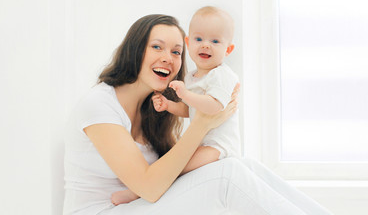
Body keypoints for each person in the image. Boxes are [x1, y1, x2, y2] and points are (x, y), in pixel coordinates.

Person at [63, 14, 333, 215]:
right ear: (135, 50)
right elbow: (149, 186)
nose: (168, 57)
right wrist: (202, 124)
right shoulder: (99, 105)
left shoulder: (155, 108)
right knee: (227, 177)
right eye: (157, 47)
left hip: (137, 205)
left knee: (242, 166)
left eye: (177, 51)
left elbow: (167, 175)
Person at [111, 6, 241, 206]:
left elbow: (214, 107)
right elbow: (191, 111)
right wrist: (170, 106)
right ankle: (139, 190)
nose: (206, 45)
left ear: (228, 49)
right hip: (204, 143)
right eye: (199, 39)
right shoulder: (192, 77)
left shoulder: (221, 75)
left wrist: (185, 95)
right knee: (174, 166)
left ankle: (135, 192)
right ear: (189, 43)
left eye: (215, 41)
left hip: (220, 147)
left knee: (177, 168)